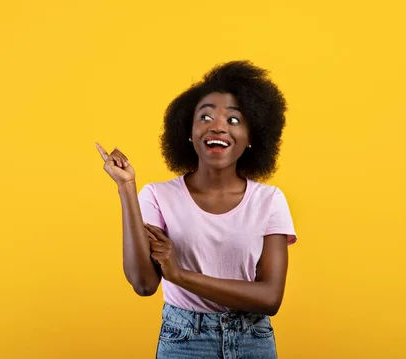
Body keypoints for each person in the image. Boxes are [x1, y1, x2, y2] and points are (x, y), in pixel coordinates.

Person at [95, 60, 297, 359]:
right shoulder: (157, 196)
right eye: (205, 116)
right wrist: (126, 188)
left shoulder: (269, 200)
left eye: (233, 120)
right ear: (188, 132)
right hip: (184, 340)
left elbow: (270, 298)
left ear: (252, 137)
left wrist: (179, 274)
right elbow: (144, 283)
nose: (217, 126)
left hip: (252, 341)